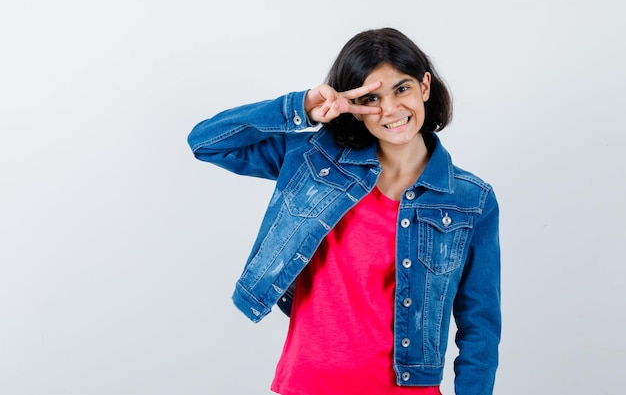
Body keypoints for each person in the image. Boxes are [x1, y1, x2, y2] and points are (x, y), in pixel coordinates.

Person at [187, 28, 501, 395]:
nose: (390, 109)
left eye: (401, 88)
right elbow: (206, 143)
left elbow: (479, 324)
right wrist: (302, 106)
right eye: (371, 97)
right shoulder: (314, 161)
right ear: (353, 105)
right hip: (308, 384)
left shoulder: (469, 199)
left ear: (425, 86)